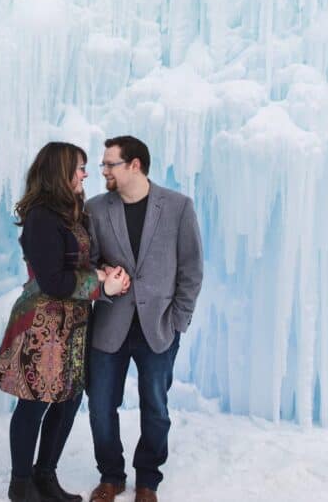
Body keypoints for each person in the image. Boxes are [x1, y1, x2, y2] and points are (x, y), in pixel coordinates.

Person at [0, 141, 131, 502]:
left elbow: (77, 265)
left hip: (73, 324)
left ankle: (45, 476)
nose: (86, 174)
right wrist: (102, 285)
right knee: (35, 402)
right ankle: (21, 485)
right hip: (43, 325)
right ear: (61, 172)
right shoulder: (41, 216)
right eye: (80, 168)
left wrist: (102, 272)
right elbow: (53, 280)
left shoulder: (74, 211)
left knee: (68, 400)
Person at [84, 136, 204, 502]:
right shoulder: (95, 209)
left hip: (159, 328)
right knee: (101, 405)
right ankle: (111, 476)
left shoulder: (178, 207)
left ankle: (148, 480)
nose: (102, 170)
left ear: (134, 165)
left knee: (156, 406)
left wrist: (178, 320)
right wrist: (105, 284)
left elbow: (192, 268)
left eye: (110, 164)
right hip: (108, 326)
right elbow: (85, 266)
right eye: (103, 164)